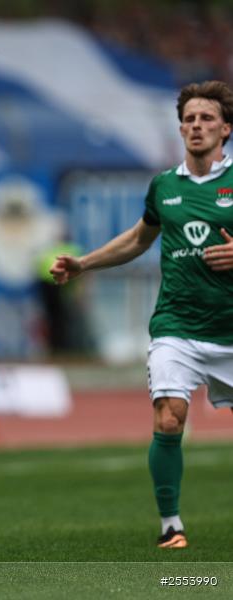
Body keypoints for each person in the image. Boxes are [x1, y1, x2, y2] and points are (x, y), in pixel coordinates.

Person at [50, 80, 233, 550]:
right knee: (169, 418)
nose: (196, 126)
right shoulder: (165, 186)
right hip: (178, 325)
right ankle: (171, 525)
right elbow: (137, 239)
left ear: (226, 129)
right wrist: (84, 263)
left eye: (206, 118)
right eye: (189, 119)